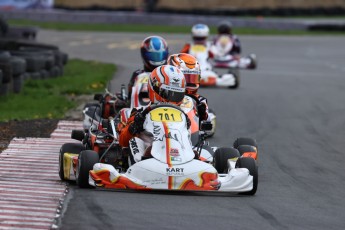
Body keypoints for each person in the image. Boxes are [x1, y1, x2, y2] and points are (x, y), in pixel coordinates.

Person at [118, 65, 189, 162]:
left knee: (203, 149)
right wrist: (134, 126)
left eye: (177, 94)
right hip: (148, 157)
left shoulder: (182, 115)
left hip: (177, 154)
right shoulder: (139, 112)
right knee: (135, 141)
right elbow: (123, 141)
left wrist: (187, 125)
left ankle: (192, 162)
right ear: (154, 89)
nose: (172, 99)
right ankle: (138, 166)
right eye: (168, 93)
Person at [167, 53, 208, 122]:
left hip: (190, 129)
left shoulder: (200, 100)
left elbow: (206, 120)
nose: (189, 83)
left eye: (192, 78)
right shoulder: (164, 95)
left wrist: (202, 112)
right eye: (185, 78)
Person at [127, 35, 169, 102]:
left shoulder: (170, 75)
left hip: (167, 109)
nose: (157, 59)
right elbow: (128, 100)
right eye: (153, 56)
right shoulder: (138, 75)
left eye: (159, 55)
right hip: (139, 111)